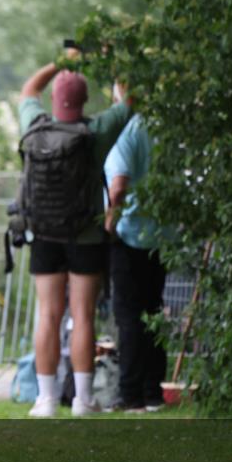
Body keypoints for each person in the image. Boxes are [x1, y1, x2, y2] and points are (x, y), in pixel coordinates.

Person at [18, 50, 132, 417]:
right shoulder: (96, 131)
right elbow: (131, 97)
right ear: (86, 101)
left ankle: (46, 399)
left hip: (44, 235)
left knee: (48, 314)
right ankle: (83, 399)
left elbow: (28, 88)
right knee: (83, 315)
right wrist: (105, 61)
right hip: (86, 235)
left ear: (54, 100)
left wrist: (59, 61)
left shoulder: (34, 125)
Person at [104, 112, 168, 412]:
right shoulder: (162, 126)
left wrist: (110, 223)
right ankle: (152, 391)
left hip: (130, 235)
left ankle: (129, 394)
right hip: (161, 234)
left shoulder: (127, 131)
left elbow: (118, 185)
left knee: (129, 317)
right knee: (153, 312)